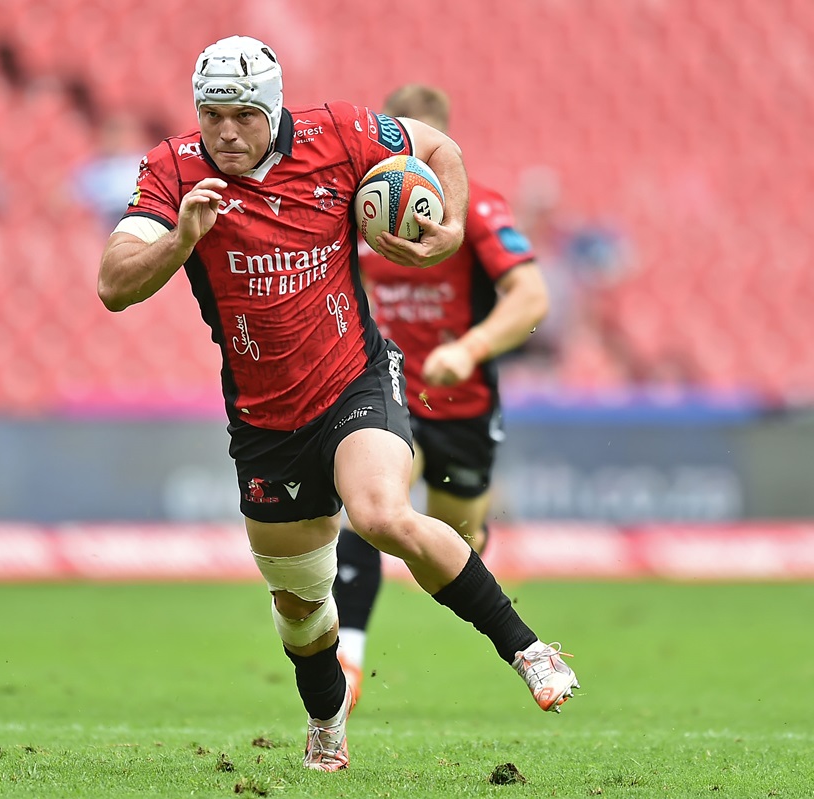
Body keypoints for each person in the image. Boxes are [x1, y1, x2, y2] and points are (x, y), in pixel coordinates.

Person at [97, 36, 579, 773]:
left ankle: (529, 648)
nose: (225, 132)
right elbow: (114, 283)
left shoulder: (342, 133)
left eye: (243, 115)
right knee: (299, 607)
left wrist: (448, 226)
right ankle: (327, 721)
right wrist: (181, 240)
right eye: (211, 115)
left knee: (381, 513)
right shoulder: (173, 170)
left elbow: (438, 145)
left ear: (274, 107)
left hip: (356, 377)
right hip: (264, 420)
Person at [332, 83, 552, 700]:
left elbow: (532, 297)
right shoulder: (362, 211)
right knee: (369, 505)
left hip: (462, 402)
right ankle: (348, 653)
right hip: (390, 388)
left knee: (460, 541)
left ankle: (467, 565)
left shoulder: (477, 210)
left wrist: (469, 349)